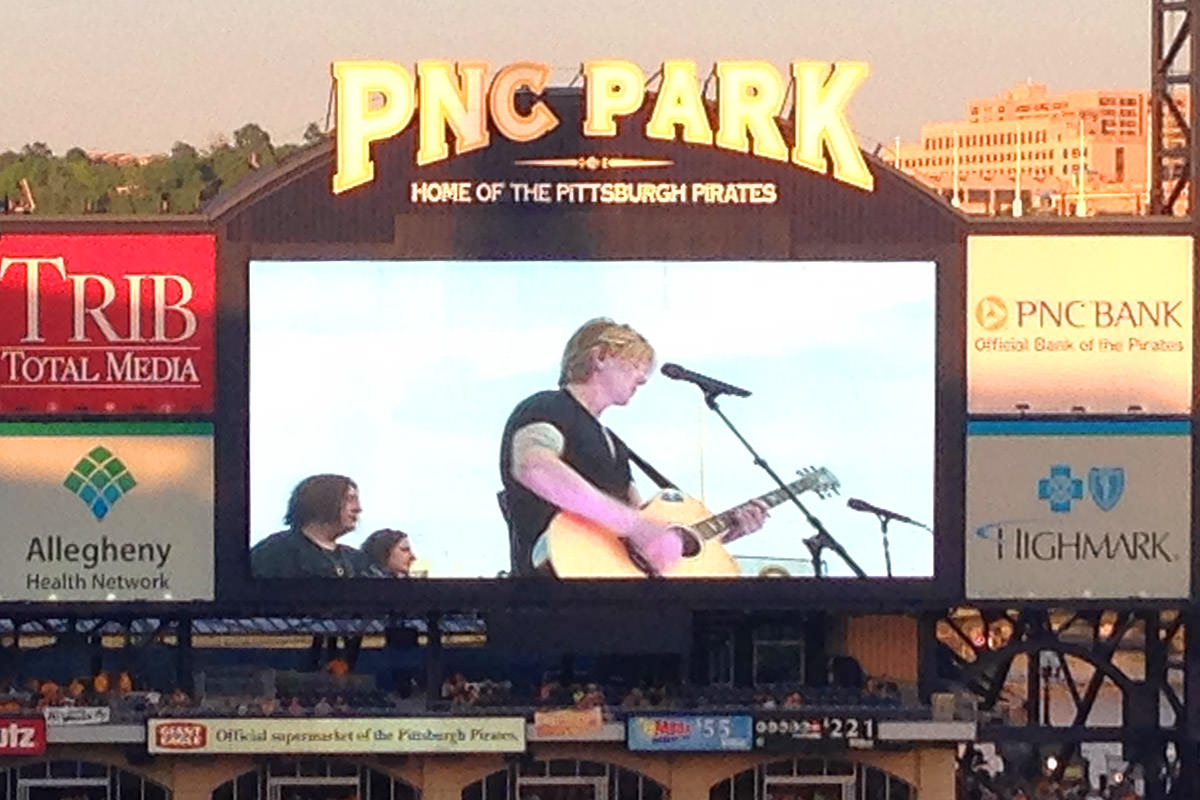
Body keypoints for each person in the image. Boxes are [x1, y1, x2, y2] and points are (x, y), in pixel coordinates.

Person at [499, 317, 766, 577]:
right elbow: (534, 468)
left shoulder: (615, 444)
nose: (643, 379)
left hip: (611, 593)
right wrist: (632, 524)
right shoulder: (548, 407)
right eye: (636, 363)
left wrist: (722, 533)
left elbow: (642, 543)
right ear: (601, 356)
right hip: (547, 594)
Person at [251, 474, 371, 578]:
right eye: (349, 499)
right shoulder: (274, 553)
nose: (358, 508)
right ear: (322, 501)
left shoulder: (357, 560)